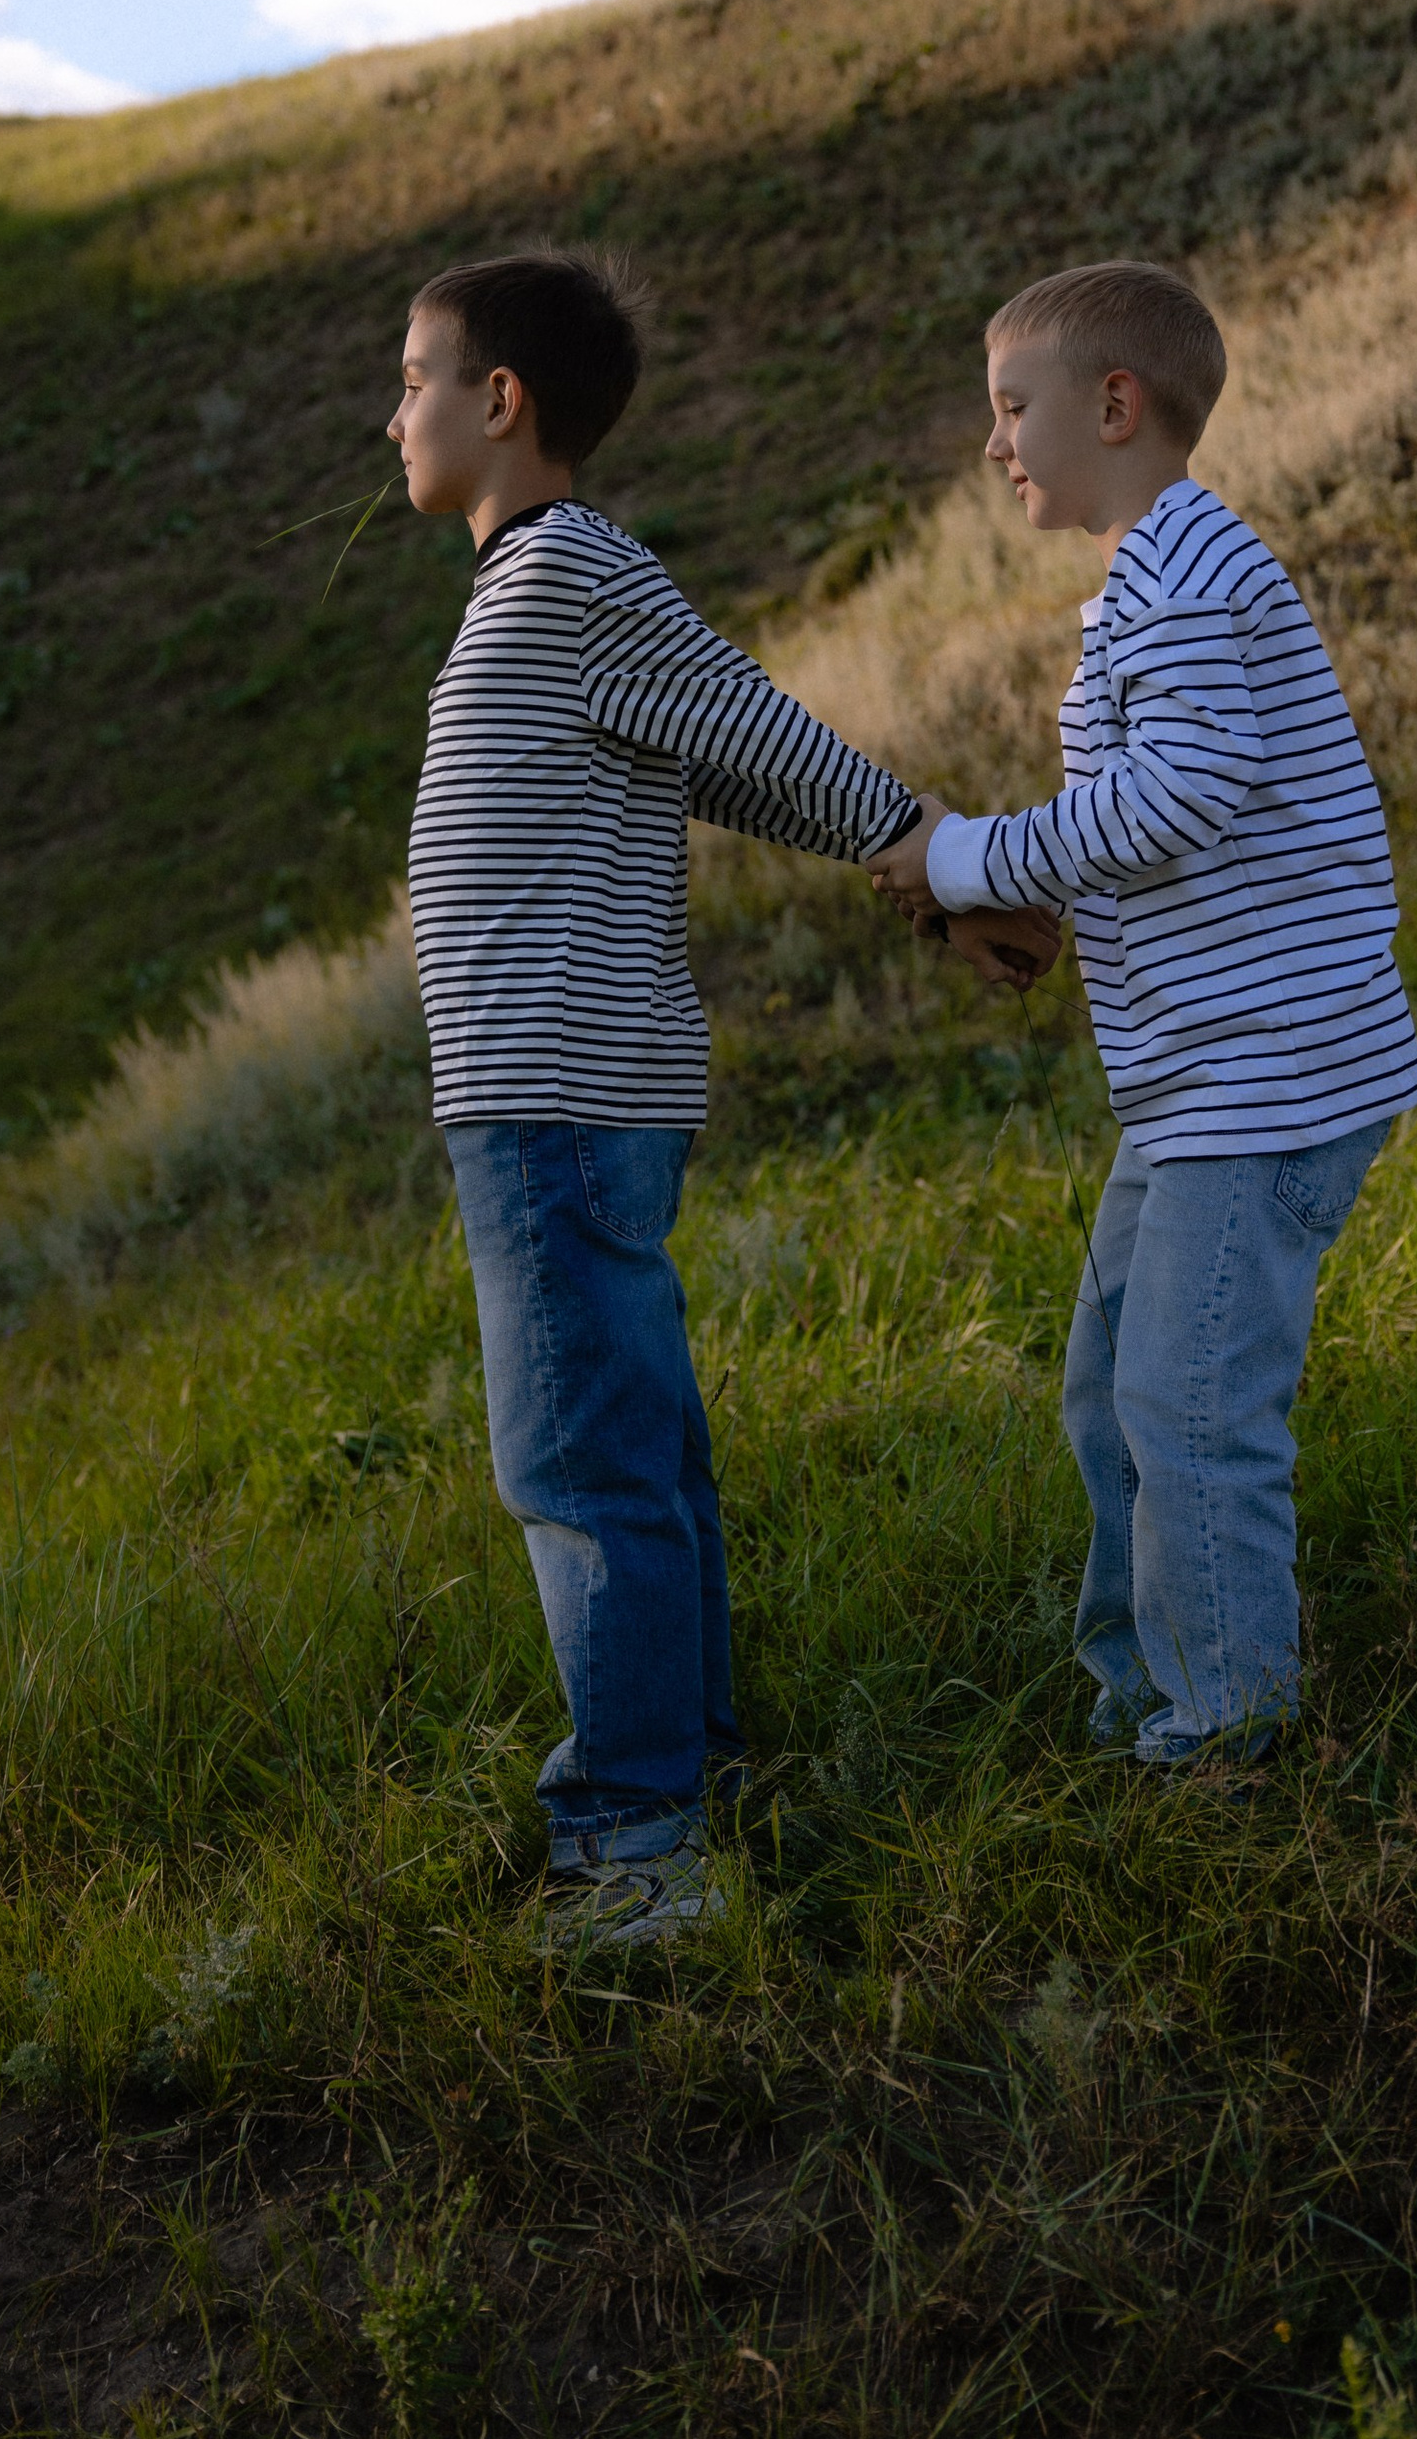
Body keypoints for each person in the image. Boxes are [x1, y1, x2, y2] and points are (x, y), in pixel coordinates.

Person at [392, 245, 1059, 1941]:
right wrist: (909, 855)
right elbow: (714, 749)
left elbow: (746, 727)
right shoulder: (538, 592)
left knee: (582, 1468)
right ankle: (688, 1774)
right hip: (549, 1100)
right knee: (637, 1458)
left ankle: (636, 1850)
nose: (389, 413)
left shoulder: (566, 579)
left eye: (411, 380)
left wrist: (923, 848)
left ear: (499, 400)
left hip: (554, 1106)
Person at [868, 262, 1417, 1769]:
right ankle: (1143, 1684)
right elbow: (1176, 815)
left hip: (1267, 1083)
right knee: (1114, 1385)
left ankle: (1228, 1734)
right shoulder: (1162, 572)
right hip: (1206, 1083)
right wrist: (1067, 900)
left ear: (1114, 405)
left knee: (1186, 1408)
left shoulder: (1179, 577)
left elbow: (1178, 797)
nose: (996, 445)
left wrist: (972, 854)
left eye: (1011, 409)